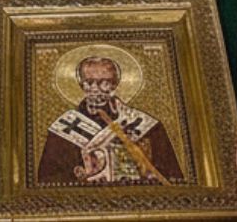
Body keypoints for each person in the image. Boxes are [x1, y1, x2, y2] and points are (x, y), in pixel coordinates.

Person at [38, 55, 183, 185]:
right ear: (81, 85)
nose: (95, 88)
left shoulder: (146, 125)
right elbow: (47, 180)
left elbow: (170, 175)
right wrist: (79, 176)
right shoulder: (63, 128)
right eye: (89, 82)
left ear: (114, 85)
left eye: (103, 82)